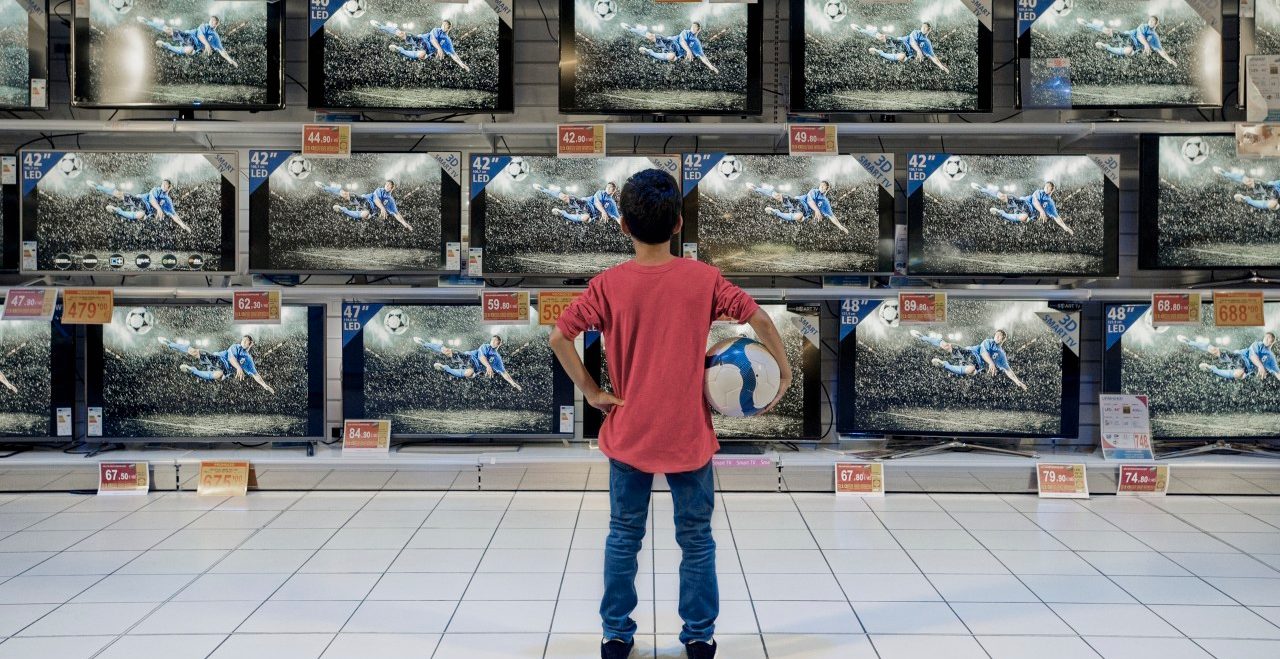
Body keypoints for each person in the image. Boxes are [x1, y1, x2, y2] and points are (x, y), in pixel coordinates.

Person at [548, 169, 790, 659]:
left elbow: (559, 336)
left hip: (630, 432)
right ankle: (698, 638)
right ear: (679, 224)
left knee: (623, 537)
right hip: (688, 436)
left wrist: (594, 392)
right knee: (697, 540)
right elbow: (760, 318)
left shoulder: (608, 285)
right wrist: (783, 374)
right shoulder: (704, 279)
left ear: (622, 225)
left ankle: (617, 635)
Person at [910, 328, 1028, 390]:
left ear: (1003, 339)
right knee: (947, 346)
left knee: (971, 370)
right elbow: (983, 353)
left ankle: (944, 364)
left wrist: (1017, 381)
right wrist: (991, 363)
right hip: (969, 353)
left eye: (999, 336)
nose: (996, 337)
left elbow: (1008, 370)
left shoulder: (1001, 354)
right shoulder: (988, 342)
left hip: (977, 366)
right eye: (995, 335)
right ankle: (922, 337)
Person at [157, 335, 275, 393]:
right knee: (194, 351)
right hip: (217, 359)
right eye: (242, 340)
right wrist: (238, 367)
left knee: (219, 375)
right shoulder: (235, 347)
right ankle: (169, 343)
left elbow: (255, 375)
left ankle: (191, 369)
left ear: (250, 344)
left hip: (224, 371)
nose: (243, 342)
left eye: (246, 341)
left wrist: (264, 385)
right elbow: (231, 358)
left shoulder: (248, 359)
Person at [412, 335, 523, 391]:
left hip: (474, 370)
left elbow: (504, 373)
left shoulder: (497, 358)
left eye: (495, 341)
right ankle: (424, 343)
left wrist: (513, 383)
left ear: (499, 344)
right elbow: (481, 357)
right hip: (468, 358)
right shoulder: (485, 347)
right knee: (446, 350)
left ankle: (444, 368)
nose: (492, 342)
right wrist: (488, 366)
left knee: (469, 373)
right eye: (492, 340)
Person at [86, 178, 191, 233]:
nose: (162, 186)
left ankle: (117, 210)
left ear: (169, 187)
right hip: (140, 201)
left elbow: (174, 215)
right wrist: (158, 208)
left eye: (165, 185)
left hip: (145, 213)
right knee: (119, 194)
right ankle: (97, 186)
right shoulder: (156, 190)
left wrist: (183, 225)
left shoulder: (167, 201)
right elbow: (151, 199)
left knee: (141, 215)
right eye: (162, 184)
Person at [745, 180, 850, 234]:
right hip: (798, 202)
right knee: (778, 195)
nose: (821, 188)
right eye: (820, 186)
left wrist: (841, 227)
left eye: (824, 187)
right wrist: (817, 210)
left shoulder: (825, 202)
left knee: (799, 217)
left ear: (827, 190)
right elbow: (809, 201)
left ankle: (775, 212)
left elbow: (832, 217)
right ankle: (756, 188)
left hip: (804, 213)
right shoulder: (814, 191)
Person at [971, 181, 1073, 235]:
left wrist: (1065, 227)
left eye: (1048, 188)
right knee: (1002, 196)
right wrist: (1041, 211)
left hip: (1029, 213)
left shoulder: (1050, 203)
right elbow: (1034, 201)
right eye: (1045, 187)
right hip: (1024, 203)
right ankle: (982, 189)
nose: (1046, 189)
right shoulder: (1039, 192)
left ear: (1052, 190)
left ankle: (1000, 213)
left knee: (1024, 218)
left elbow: (1057, 217)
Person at [141, 14, 239, 67]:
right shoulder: (204, 26)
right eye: (211, 20)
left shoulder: (215, 37)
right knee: (168, 30)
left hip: (194, 47)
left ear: (217, 24)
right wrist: (207, 45)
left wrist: (230, 60)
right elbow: (200, 35)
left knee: (190, 50)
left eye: (214, 22)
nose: (212, 22)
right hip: (189, 36)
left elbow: (222, 50)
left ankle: (166, 45)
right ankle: (147, 22)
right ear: (209, 21)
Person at [374, 18, 472, 71]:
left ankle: (399, 49)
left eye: (445, 26)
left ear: (449, 28)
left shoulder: (447, 41)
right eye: (442, 24)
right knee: (401, 34)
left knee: (422, 55)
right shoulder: (436, 30)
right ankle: (381, 26)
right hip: (421, 40)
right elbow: (433, 40)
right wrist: (439, 49)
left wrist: (461, 64)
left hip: (426, 51)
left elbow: (453, 55)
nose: (443, 26)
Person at [315, 179, 413, 231]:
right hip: (365, 200)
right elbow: (375, 199)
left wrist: (405, 224)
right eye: (386, 184)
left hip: (370, 211)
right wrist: (382, 208)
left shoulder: (391, 201)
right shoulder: (380, 190)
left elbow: (396, 214)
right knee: (345, 194)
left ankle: (342, 209)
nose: (386, 186)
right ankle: (325, 187)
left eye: (388, 186)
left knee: (365, 215)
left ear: (392, 188)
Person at [622, 21, 719, 73]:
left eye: (694, 28)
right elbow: (681, 41)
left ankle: (649, 52)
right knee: (650, 36)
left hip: (675, 52)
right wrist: (688, 51)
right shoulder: (686, 32)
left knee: (672, 57)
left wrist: (711, 66)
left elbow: (702, 57)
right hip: (671, 42)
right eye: (691, 27)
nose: (692, 29)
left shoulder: (697, 43)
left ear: (698, 30)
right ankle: (631, 28)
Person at [1177, 333, 1280, 381]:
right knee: (1214, 350)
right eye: (1265, 337)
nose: (1266, 339)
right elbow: (1253, 356)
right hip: (1239, 357)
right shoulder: (1257, 344)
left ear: (1273, 342)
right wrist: (1261, 367)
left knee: (1239, 374)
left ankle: (1211, 368)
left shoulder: (1271, 358)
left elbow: (1277, 373)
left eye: (1269, 339)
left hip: (1245, 368)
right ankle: (1189, 341)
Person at [853, 21, 950, 72]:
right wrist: (919, 51)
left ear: (929, 30)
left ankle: (879, 52)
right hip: (901, 43)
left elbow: (933, 57)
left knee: (902, 58)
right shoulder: (916, 32)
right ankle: (861, 30)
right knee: (880, 36)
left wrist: (941, 66)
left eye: (925, 28)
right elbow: (912, 42)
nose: (922, 28)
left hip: (909, 54)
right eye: (922, 27)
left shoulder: (927, 43)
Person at [1079, 15, 1176, 65]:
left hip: (1133, 47)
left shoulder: (1154, 37)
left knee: (1129, 51)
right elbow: (1139, 36)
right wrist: (1146, 44)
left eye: (1153, 22)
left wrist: (1169, 60)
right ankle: (1087, 24)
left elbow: (1161, 50)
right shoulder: (1143, 26)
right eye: (1150, 21)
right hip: (1128, 37)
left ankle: (1106, 47)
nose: (1150, 22)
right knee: (1107, 31)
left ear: (1156, 24)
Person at [534, 181, 621, 224]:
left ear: (614, 191)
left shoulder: (612, 204)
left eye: (611, 188)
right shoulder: (600, 192)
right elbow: (597, 202)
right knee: (564, 197)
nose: (608, 188)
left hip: (591, 215)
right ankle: (543, 189)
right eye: (607, 187)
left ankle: (562, 213)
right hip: (585, 204)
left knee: (585, 218)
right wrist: (603, 211)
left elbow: (618, 219)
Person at [1214, 166, 1280, 212]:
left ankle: (1246, 199)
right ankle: (1224, 173)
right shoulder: (1272, 190)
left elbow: (1267, 204)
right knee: (1248, 181)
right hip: (1271, 188)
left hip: (1269, 194)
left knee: (1272, 204)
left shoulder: (1271, 202)